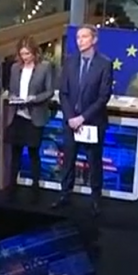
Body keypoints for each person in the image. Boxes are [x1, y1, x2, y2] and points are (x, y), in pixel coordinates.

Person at [56, 24, 113, 215]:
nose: (80, 41)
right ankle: (65, 195)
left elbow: (103, 97)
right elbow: (63, 93)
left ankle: (96, 199)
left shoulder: (104, 64)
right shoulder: (69, 62)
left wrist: (82, 117)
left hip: (92, 122)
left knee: (94, 163)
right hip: (71, 122)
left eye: (84, 37)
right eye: (78, 37)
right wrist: (71, 117)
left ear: (94, 39)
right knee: (68, 161)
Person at [4, 37, 54, 202]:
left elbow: (49, 92)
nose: (25, 57)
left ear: (34, 52)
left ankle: (35, 189)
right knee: (15, 153)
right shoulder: (15, 68)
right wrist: (13, 97)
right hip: (17, 116)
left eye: (27, 54)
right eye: (22, 54)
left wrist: (34, 99)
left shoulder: (45, 67)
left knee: (33, 154)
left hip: (35, 116)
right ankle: (12, 187)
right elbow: (12, 90)